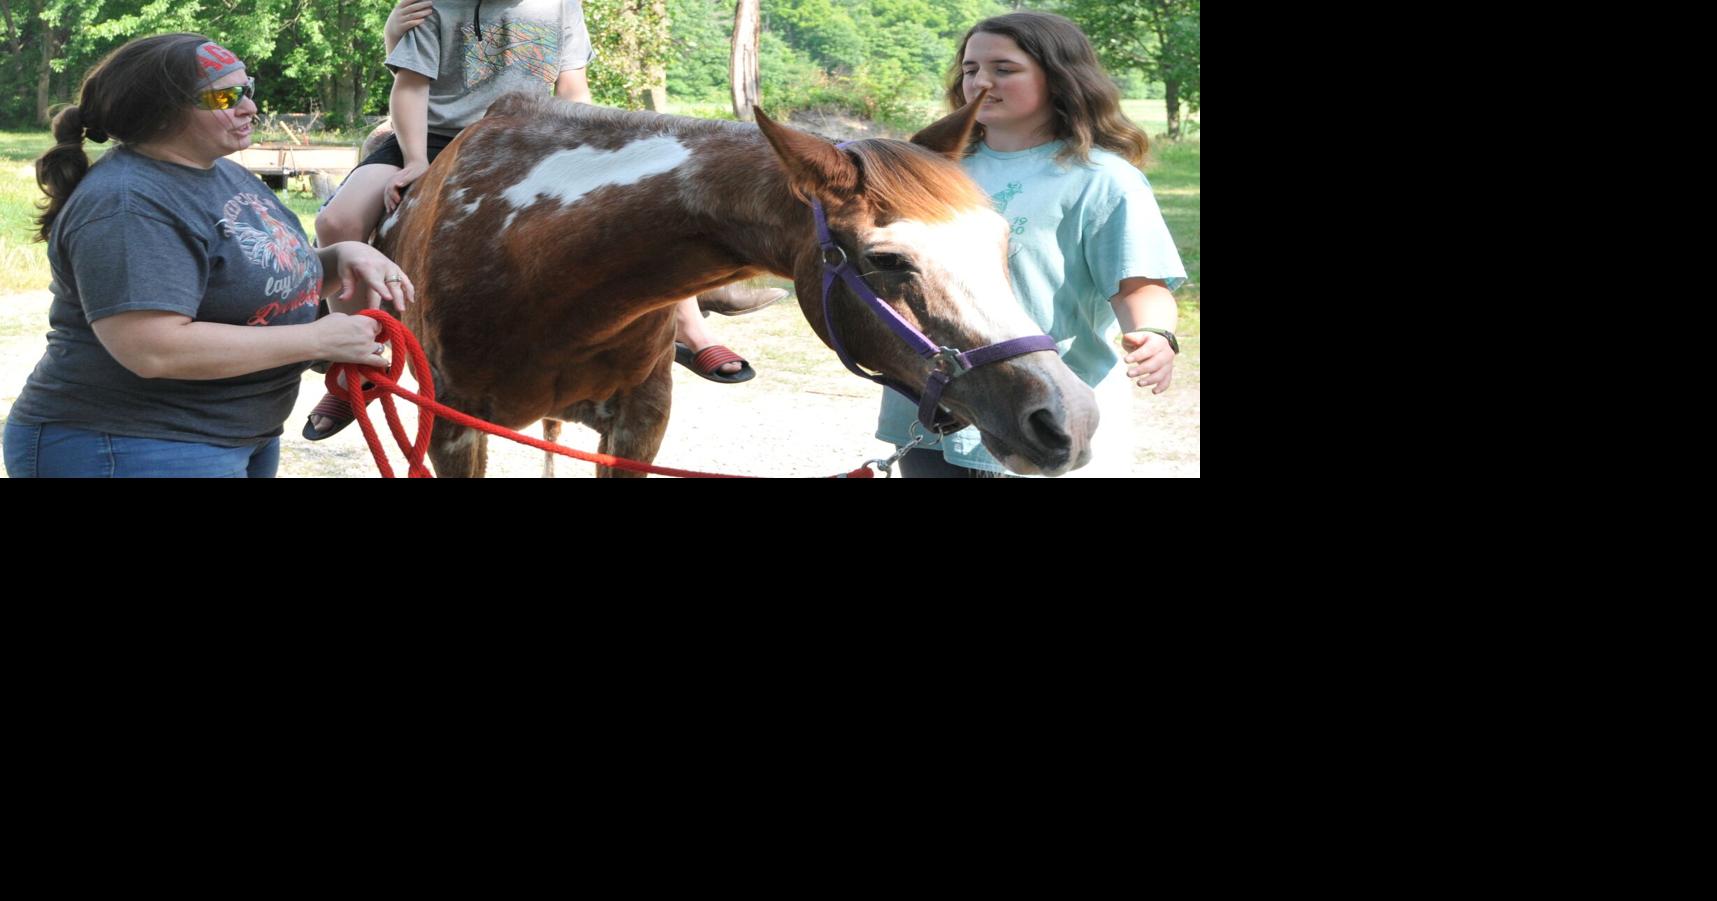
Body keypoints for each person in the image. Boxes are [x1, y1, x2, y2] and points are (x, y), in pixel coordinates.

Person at [2, 33, 412, 478]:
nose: (249, 107)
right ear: (159, 112)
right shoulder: (129, 203)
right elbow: (153, 348)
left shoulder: (223, 175)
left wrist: (338, 259)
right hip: (128, 445)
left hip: (221, 437)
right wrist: (317, 340)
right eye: (224, 96)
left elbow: (254, 278)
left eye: (247, 89)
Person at [873, 10, 1186, 478]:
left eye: (1004, 69)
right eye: (971, 69)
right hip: (934, 408)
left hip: (1046, 414)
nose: (980, 82)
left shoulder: (1103, 180)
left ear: (1060, 77)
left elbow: (1137, 282)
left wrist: (1156, 335)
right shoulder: (931, 171)